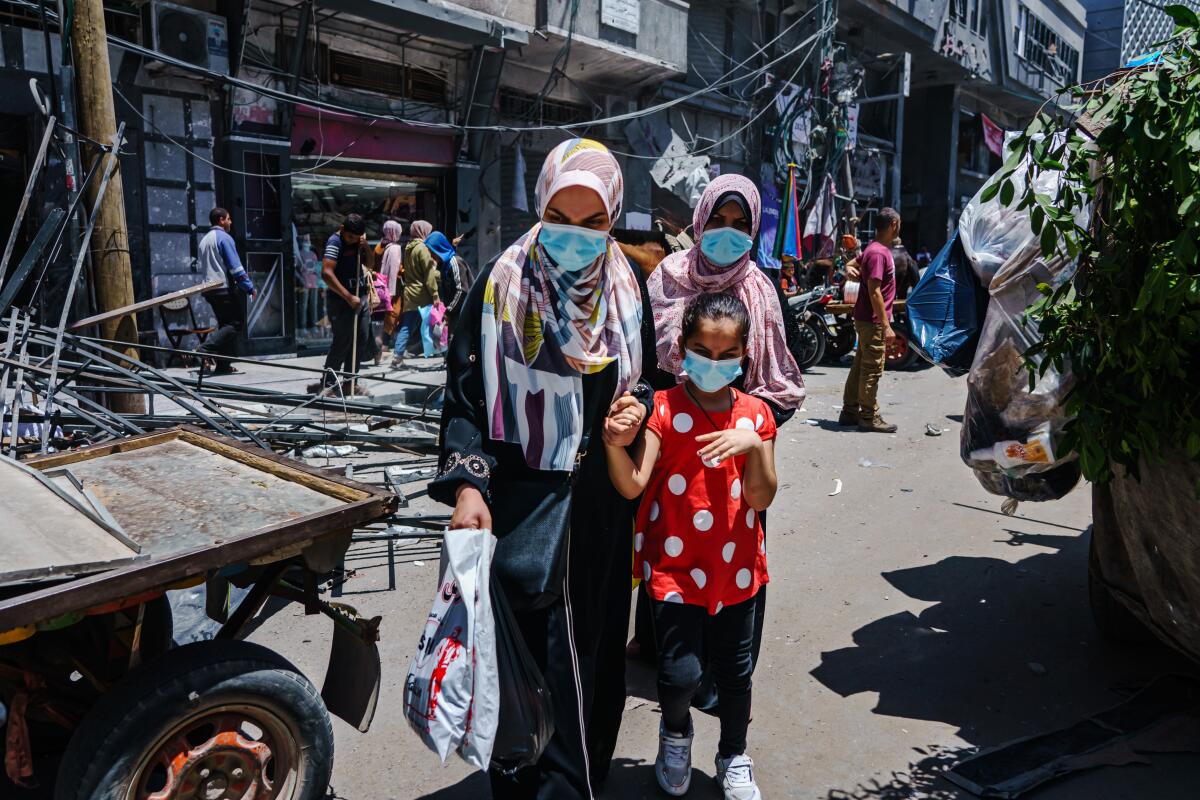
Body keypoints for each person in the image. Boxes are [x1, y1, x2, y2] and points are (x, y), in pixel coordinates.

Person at [430, 138, 654, 800]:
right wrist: (470, 484)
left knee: (594, 655)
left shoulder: (624, 285)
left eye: (595, 223)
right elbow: (463, 396)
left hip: (601, 507)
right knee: (529, 659)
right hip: (524, 503)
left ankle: (583, 780)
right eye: (562, 218)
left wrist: (633, 413)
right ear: (541, 206)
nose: (577, 237)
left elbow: (643, 380)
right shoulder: (500, 285)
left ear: (612, 219)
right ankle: (525, 781)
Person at [605, 292, 776, 800]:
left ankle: (733, 753)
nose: (714, 363)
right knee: (680, 676)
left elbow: (761, 494)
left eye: (727, 355)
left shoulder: (757, 415)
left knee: (735, 675)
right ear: (682, 348)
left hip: (738, 571)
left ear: (745, 355)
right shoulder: (663, 408)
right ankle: (675, 735)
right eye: (703, 350)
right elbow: (633, 484)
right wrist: (615, 445)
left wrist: (754, 448)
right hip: (674, 570)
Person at [643, 173, 803, 710]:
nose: (727, 234)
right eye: (718, 221)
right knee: (668, 553)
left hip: (738, 454)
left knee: (735, 564)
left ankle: (726, 678)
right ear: (700, 219)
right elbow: (643, 363)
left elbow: (779, 382)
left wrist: (750, 430)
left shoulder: (759, 290)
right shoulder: (667, 278)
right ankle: (669, 660)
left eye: (740, 225)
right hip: (672, 444)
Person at [840, 206, 901, 433]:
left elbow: (853, 263)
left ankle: (849, 411)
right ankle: (868, 416)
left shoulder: (873, 250)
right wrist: (886, 326)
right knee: (872, 369)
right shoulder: (878, 253)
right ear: (894, 225)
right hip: (873, 320)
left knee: (859, 366)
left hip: (867, 319)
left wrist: (848, 266)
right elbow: (875, 291)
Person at [308, 213, 375, 395]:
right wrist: (347, 296)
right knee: (342, 341)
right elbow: (327, 273)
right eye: (350, 237)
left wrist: (366, 247)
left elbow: (370, 264)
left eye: (356, 238)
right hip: (341, 300)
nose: (352, 241)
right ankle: (328, 383)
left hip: (360, 297)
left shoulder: (359, 243)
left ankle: (350, 382)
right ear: (343, 230)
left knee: (361, 338)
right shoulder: (335, 242)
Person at [197, 208, 255, 375]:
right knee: (236, 323)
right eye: (228, 219)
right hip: (221, 288)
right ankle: (205, 348)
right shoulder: (224, 238)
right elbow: (235, 267)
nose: (230, 222)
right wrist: (248, 286)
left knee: (225, 325)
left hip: (209, 289)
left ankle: (223, 366)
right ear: (221, 220)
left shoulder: (205, 240)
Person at [390, 220, 440, 365]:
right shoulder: (422, 249)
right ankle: (439, 351)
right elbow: (428, 274)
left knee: (409, 324)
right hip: (422, 294)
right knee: (432, 324)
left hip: (410, 292)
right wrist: (435, 294)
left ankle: (398, 355)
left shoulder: (408, 248)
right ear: (422, 231)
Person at [370, 263, 393, 366]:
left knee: (371, 333)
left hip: (370, 307)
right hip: (381, 308)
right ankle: (377, 358)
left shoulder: (366, 275)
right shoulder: (381, 277)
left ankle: (374, 355)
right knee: (378, 335)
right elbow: (387, 294)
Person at [890, 236, 920, 300]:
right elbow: (915, 275)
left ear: (891, 243)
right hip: (903, 291)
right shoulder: (908, 255)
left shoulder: (888, 253)